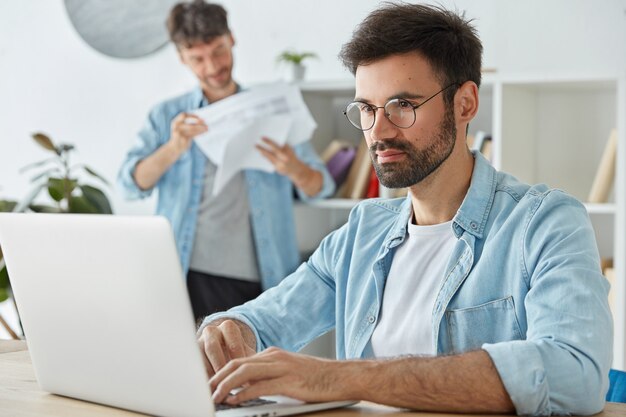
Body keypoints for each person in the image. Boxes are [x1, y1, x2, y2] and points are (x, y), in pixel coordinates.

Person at [196, 3, 612, 415]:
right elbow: (263, 321)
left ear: (465, 104)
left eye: (403, 105)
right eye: (367, 108)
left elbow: (577, 375)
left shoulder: (546, 223)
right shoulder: (362, 231)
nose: (378, 130)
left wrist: (342, 378)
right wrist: (227, 331)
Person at [117, 0, 335, 321]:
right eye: (198, 59)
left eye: (218, 51)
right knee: (185, 368)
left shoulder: (272, 108)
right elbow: (129, 184)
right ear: (181, 58)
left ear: (231, 39)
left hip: (261, 275)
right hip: (183, 271)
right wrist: (173, 148)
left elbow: (322, 187)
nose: (212, 66)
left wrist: (293, 167)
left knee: (251, 369)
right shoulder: (166, 116)